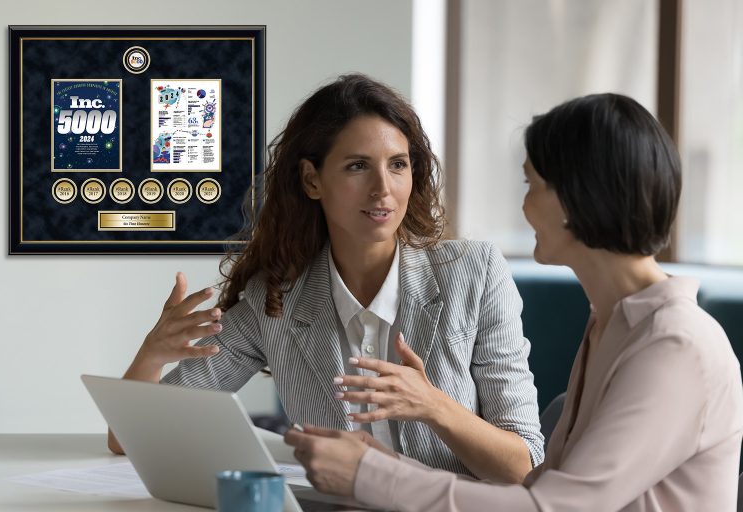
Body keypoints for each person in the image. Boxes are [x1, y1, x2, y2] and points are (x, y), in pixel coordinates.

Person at [284, 93, 743, 510]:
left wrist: (371, 475)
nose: (524, 208)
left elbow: (552, 507)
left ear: (574, 200)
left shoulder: (675, 345)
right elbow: (535, 489)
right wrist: (382, 464)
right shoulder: (612, 324)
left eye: (531, 186)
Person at [108, 74, 544, 482]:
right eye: (357, 166)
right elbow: (129, 439)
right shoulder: (274, 301)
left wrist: (435, 408)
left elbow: (525, 466)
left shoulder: (474, 272)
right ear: (312, 180)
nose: (383, 188)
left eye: (398, 165)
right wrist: (152, 354)